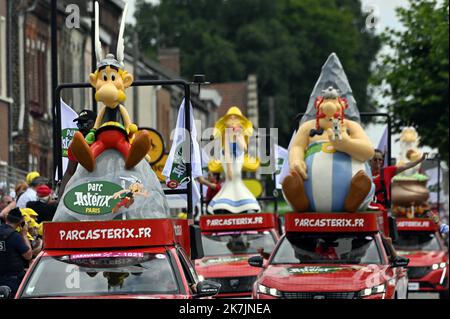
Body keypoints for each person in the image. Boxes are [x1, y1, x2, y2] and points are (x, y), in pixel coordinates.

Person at [58, 109, 96, 199]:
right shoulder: (75, 145)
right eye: (79, 124)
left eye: (85, 123)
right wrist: (60, 197)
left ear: (95, 123)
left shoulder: (102, 140)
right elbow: (70, 172)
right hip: (85, 191)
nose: (81, 127)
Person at [0, 208, 33, 298]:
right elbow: (28, 256)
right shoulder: (15, 236)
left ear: (7, 219)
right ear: (20, 222)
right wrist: (25, 235)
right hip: (12, 280)